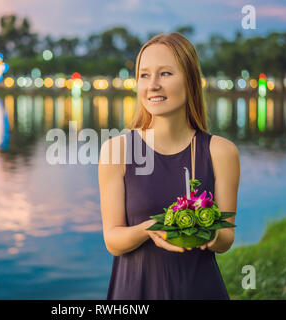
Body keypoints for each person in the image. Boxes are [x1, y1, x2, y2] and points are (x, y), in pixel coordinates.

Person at [98, 32, 240, 299]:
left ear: (190, 80)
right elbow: (112, 241)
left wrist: (205, 231)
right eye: (144, 75)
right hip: (134, 293)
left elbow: (226, 239)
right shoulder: (116, 150)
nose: (153, 85)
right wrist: (153, 227)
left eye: (165, 74)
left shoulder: (222, 152)